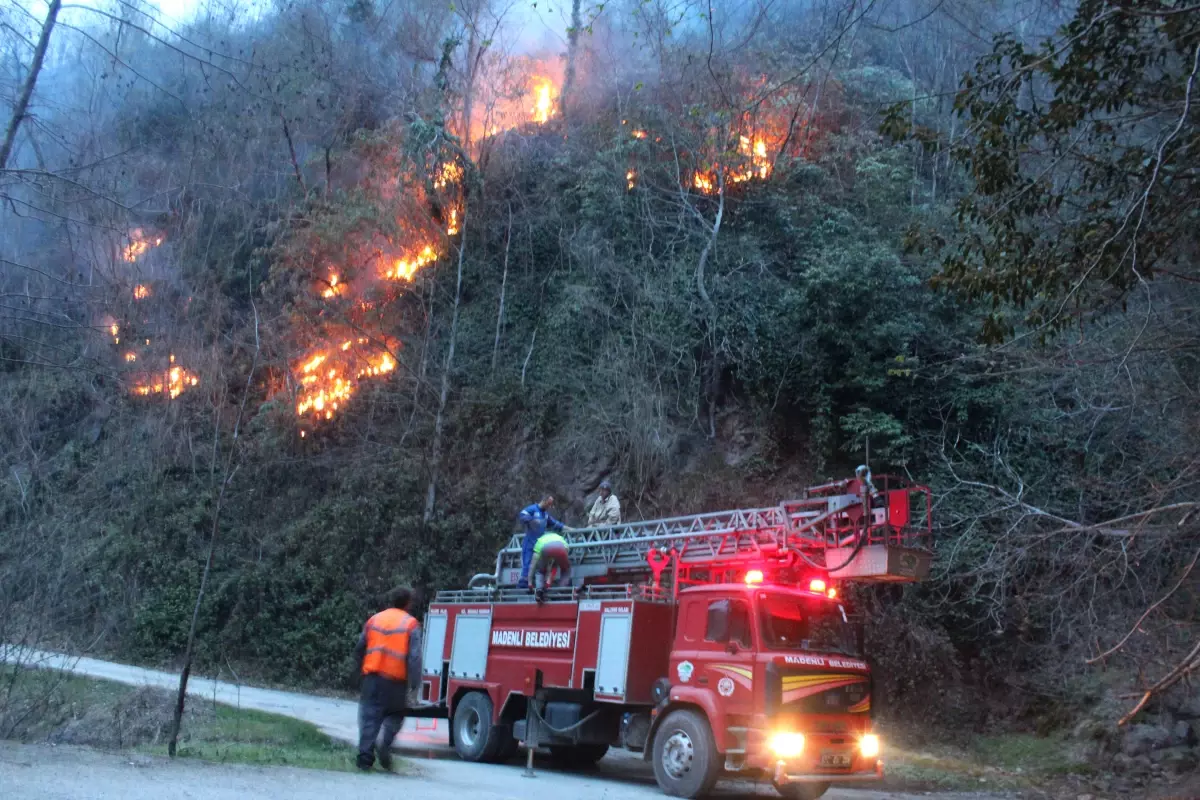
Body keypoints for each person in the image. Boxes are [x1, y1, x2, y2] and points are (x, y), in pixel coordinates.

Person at [352, 586, 422, 772]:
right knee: (395, 716)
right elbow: (414, 657)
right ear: (408, 603)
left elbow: (360, 648)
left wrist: (360, 672)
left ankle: (364, 760)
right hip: (396, 682)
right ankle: (385, 744)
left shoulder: (374, 620)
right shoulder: (411, 624)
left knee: (369, 717)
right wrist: (415, 683)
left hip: (372, 679)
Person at [518, 495, 565, 588]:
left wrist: (567, 528)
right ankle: (523, 583)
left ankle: (535, 584)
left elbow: (555, 524)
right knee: (527, 564)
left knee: (539, 566)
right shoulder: (532, 509)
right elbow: (522, 515)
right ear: (544, 501)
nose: (549, 507)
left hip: (539, 545)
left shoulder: (545, 515)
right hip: (529, 543)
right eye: (549, 504)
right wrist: (532, 521)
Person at [529, 531, 572, 602]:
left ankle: (539, 592)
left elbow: (532, 566)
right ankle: (560, 592)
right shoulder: (561, 539)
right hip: (562, 547)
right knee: (566, 570)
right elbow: (555, 566)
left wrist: (530, 582)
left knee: (540, 571)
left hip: (545, 548)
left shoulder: (540, 541)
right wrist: (548, 583)